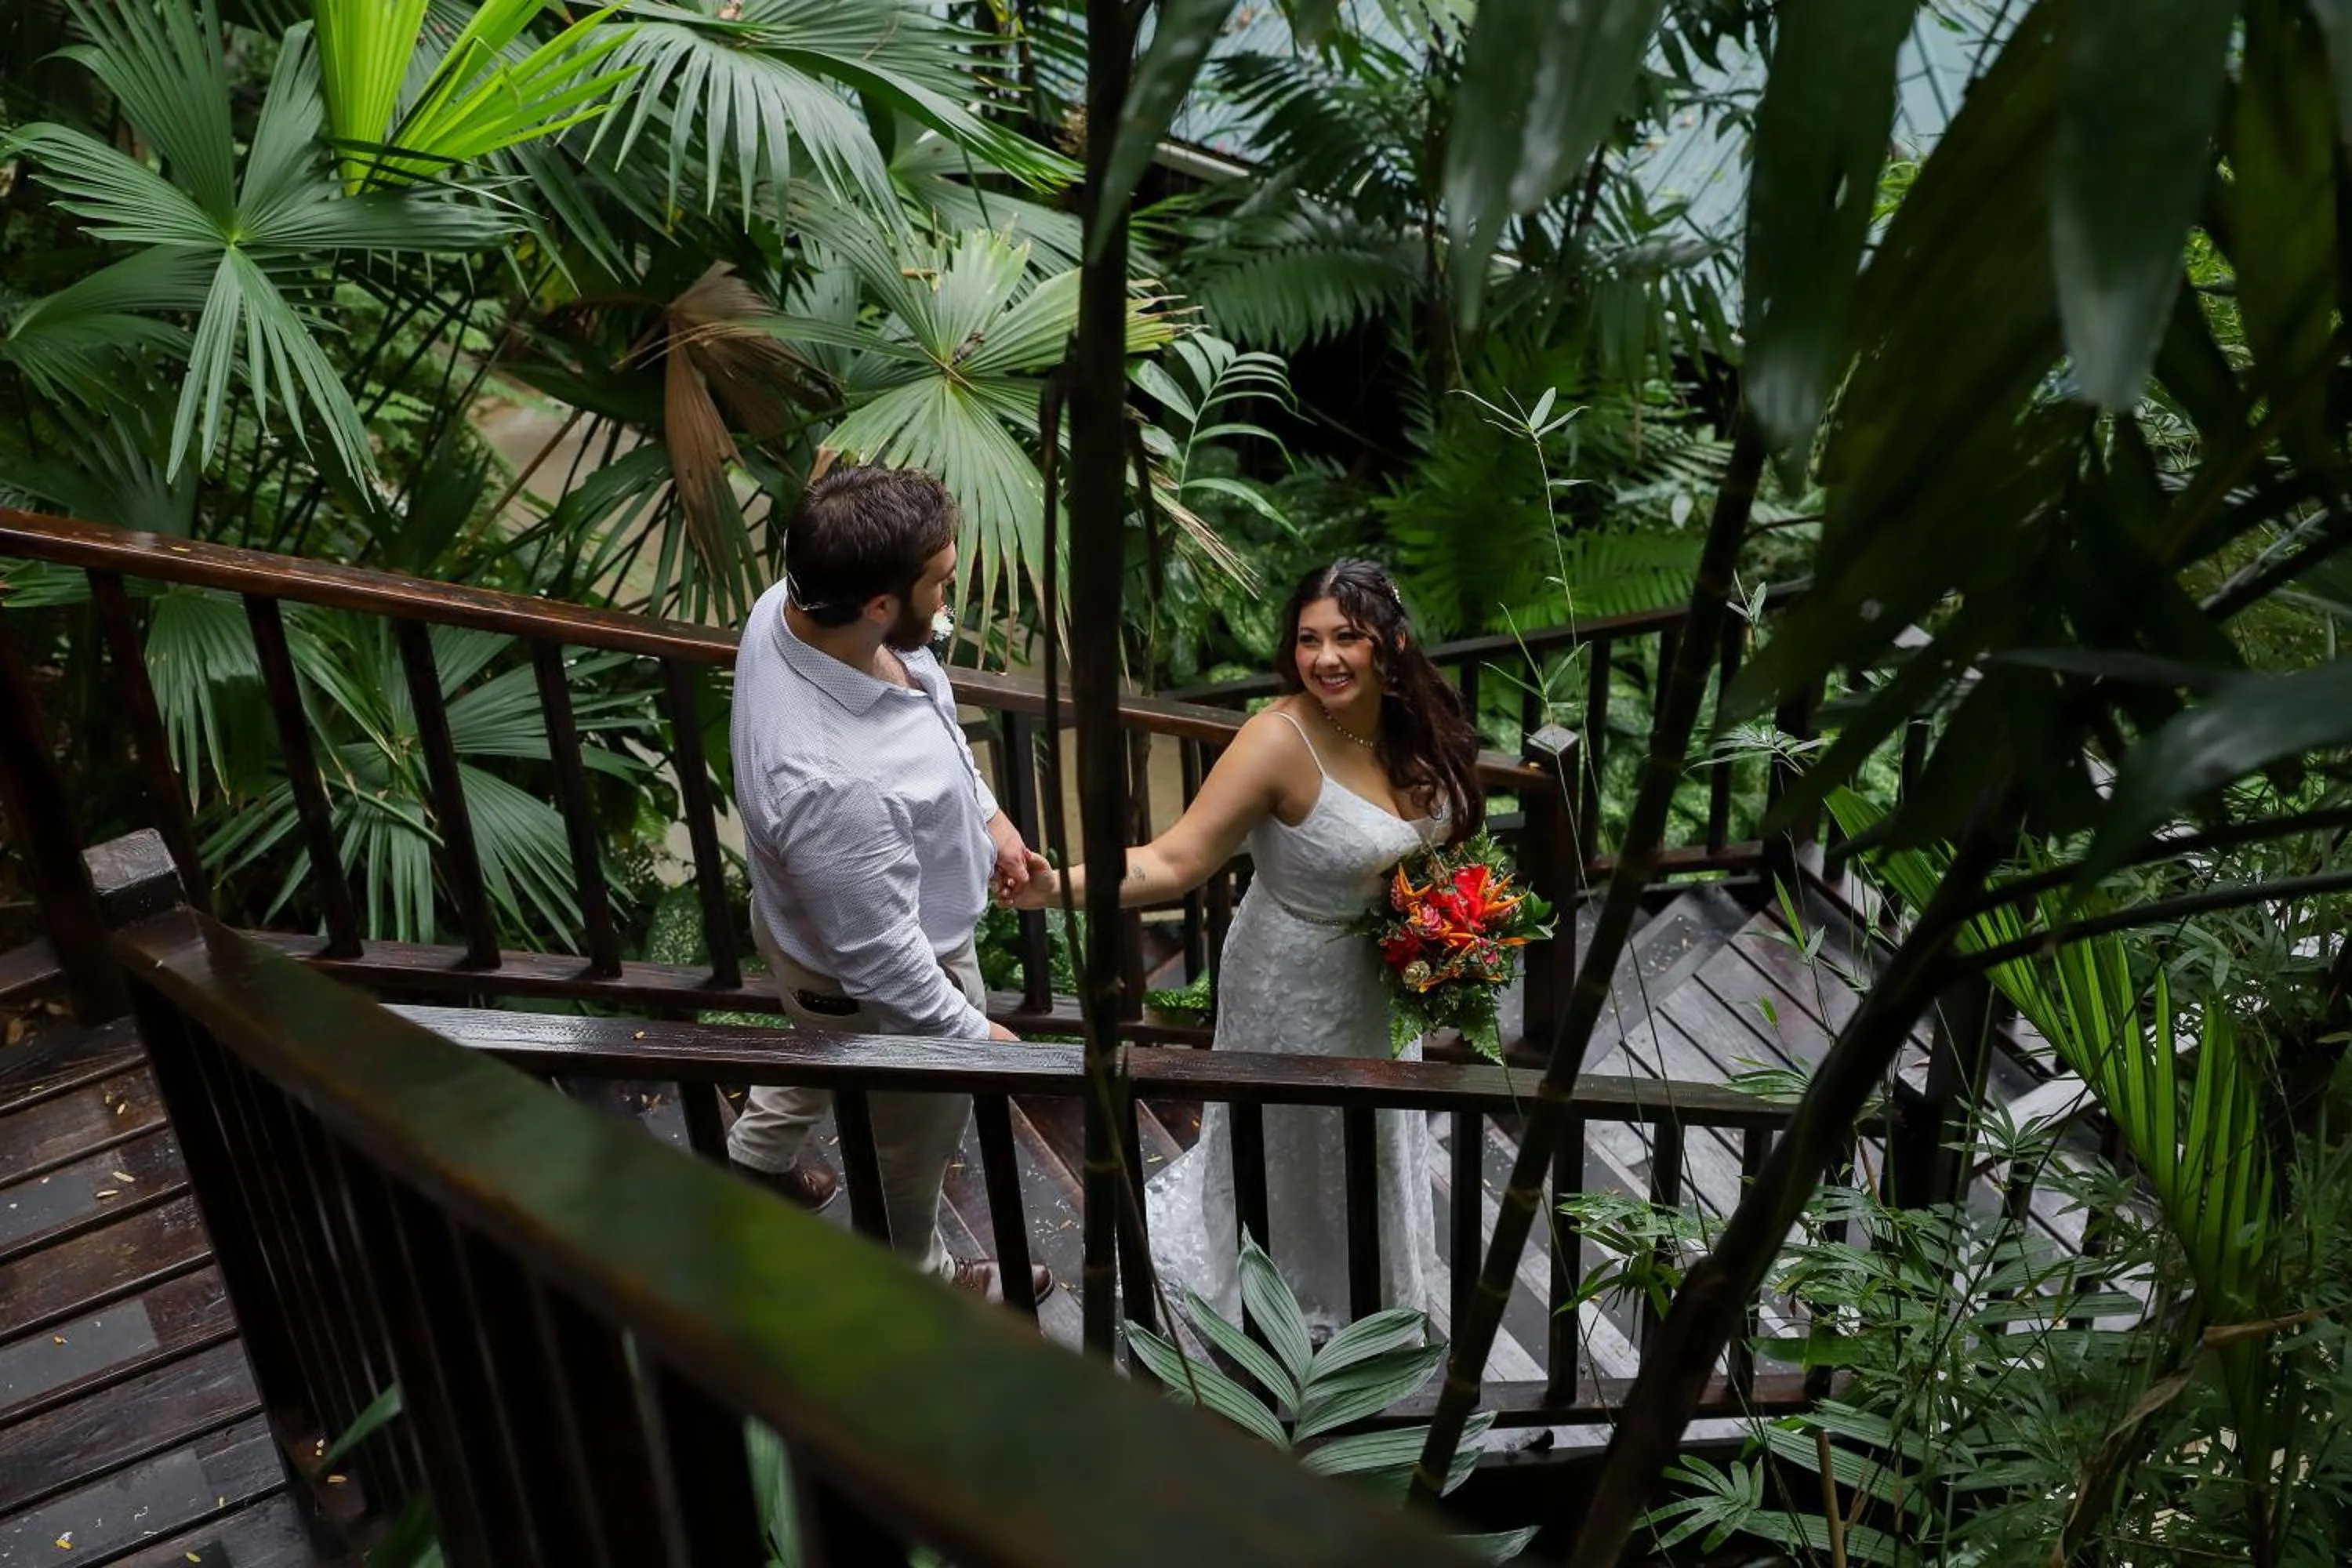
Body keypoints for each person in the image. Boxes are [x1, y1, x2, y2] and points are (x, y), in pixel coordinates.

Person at [1008, 558, 1483, 1333]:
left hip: (1381, 979)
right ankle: (1280, 1299)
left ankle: (1373, 1287)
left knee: (1374, 1130)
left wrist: (1451, 924)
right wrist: (1053, 885)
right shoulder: (1276, 740)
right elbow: (1175, 860)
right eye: (1308, 639)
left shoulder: (1416, 722)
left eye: (1347, 637)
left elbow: (1441, 840)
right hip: (1290, 980)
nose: (1324, 657)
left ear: (1391, 643)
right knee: (1296, 1137)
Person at [726, 463, 1054, 1305]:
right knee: (908, 1154)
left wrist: (989, 818)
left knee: (820, 1041)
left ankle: (754, 1157)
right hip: (883, 974)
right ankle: (920, 1282)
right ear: (878, 603)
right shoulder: (831, 784)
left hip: (809, 941)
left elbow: (925, 717)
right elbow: (880, 962)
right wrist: (972, 1035)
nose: (949, 602)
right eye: (940, 583)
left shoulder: (793, 604)